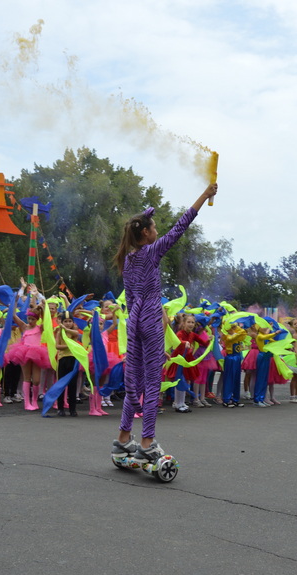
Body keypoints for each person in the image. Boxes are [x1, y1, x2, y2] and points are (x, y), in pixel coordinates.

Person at [110, 183, 218, 464]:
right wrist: (204, 196)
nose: (157, 230)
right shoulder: (150, 252)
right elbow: (181, 226)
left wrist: (139, 321)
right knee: (152, 380)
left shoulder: (128, 259)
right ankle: (147, 441)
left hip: (134, 319)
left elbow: (131, 297)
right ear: (145, 233)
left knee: (134, 378)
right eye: (154, 227)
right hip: (149, 317)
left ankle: (123, 438)